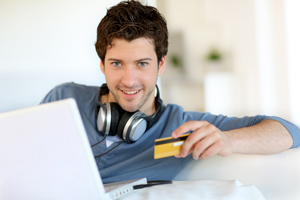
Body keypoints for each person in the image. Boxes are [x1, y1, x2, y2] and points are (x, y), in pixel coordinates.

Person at [40, 0, 300, 183]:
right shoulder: (64, 98)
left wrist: (230, 140)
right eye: (117, 63)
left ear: (161, 63)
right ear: (102, 65)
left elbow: (290, 131)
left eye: (142, 64)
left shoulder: (180, 126)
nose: (129, 80)